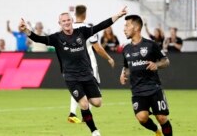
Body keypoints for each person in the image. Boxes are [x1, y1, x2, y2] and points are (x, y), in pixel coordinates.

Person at [19, 7, 127, 136]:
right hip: (71, 77)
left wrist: (118, 16)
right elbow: (38, 39)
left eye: (68, 20)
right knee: (84, 104)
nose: (66, 22)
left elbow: (101, 26)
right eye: (63, 21)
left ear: (72, 20)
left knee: (97, 103)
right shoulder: (56, 38)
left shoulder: (82, 32)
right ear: (60, 23)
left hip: (87, 74)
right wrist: (26, 30)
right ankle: (94, 131)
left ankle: (84, 97)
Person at [120, 15, 172, 136]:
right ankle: (156, 131)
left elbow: (166, 61)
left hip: (153, 88)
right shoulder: (126, 49)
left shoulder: (151, 45)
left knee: (162, 118)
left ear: (137, 27)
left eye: (127, 25)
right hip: (137, 90)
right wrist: (123, 74)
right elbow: (127, 66)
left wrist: (156, 65)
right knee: (142, 118)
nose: (124, 29)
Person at [68, 4, 115, 124]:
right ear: (84, 14)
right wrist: (109, 58)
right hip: (89, 66)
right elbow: (98, 49)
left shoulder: (68, 29)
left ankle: (72, 113)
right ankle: (86, 115)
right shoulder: (88, 29)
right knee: (93, 91)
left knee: (77, 87)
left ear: (75, 14)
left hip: (73, 66)